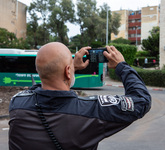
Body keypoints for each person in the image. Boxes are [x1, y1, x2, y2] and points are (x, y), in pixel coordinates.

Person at [9, 42, 151, 150]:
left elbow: (39, 87)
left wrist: (71, 68)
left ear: (37, 70)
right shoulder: (91, 111)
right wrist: (122, 66)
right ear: (67, 71)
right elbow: (142, 100)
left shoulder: (17, 104)